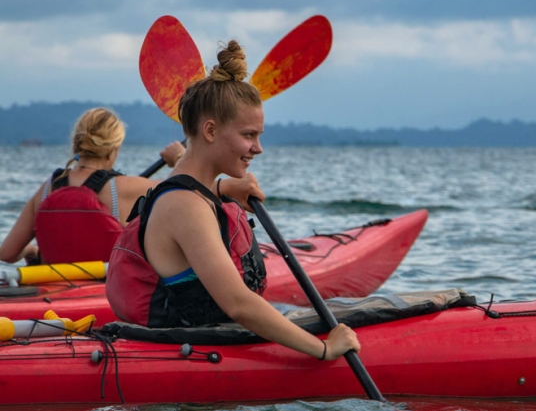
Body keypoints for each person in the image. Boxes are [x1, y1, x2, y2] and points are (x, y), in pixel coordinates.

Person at [106, 40, 360, 361]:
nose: (258, 148)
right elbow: (238, 304)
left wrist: (225, 188)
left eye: (259, 136)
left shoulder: (191, 193)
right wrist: (323, 349)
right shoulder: (186, 207)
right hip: (188, 355)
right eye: (249, 135)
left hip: (203, 337)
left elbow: (192, 186)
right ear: (210, 130)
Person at [0, 107, 253, 265]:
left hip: (52, 292)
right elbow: (189, 189)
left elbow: (8, 253)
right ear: (115, 148)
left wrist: (32, 251)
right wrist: (179, 158)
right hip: (101, 292)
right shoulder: (124, 188)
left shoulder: (47, 189)